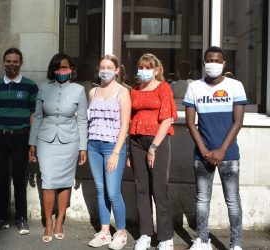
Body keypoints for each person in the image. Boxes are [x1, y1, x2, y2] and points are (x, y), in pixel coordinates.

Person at [183, 46, 247, 250]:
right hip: (202, 154)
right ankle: (202, 240)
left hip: (228, 154)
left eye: (217, 61)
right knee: (202, 200)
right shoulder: (194, 87)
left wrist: (221, 150)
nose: (213, 64)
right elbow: (190, 122)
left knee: (233, 201)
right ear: (203, 63)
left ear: (224, 63)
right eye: (209, 60)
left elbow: (238, 121)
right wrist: (203, 150)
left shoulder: (235, 86)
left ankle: (236, 244)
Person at [28, 53, 88, 243]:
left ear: (72, 69)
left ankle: (60, 220)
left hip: (70, 142)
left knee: (64, 182)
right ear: (53, 70)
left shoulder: (79, 90)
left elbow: (82, 120)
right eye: (59, 68)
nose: (63, 71)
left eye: (66, 68)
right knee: (47, 182)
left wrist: (83, 147)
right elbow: (37, 117)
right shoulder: (43, 88)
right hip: (46, 141)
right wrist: (32, 143)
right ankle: (48, 222)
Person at [0, 47, 38, 235]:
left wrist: (32, 142)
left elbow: (33, 115)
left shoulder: (30, 86)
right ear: (3, 62)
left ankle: (21, 218)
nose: (11, 64)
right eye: (8, 61)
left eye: (15, 61)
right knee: (1, 179)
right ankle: (1, 218)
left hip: (21, 137)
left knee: (18, 179)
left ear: (21, 63)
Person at [130, 53, 177, 250]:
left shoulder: (164, 88)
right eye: (141, 67)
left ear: (157, 70)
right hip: (136, 141)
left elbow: (167, 119)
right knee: (141, 189)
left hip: (157, 141)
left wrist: (154, 148)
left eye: (148, 67)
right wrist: (127, 151)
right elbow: (130, 118)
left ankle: (166, 236)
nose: (143, 70)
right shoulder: (135, 90)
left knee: (159, 188)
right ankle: (145, 233)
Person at [87, 54, 131, 250]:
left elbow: (125, 125)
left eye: (109, 67)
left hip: (112, 146)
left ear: (116, 70)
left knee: (113, 192)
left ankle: (121, 233)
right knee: (100, 190)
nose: (104, 70)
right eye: (102, 66)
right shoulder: (93, 92)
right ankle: (105, 231)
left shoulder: (123, 92)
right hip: (93, 145)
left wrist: (115, 152)